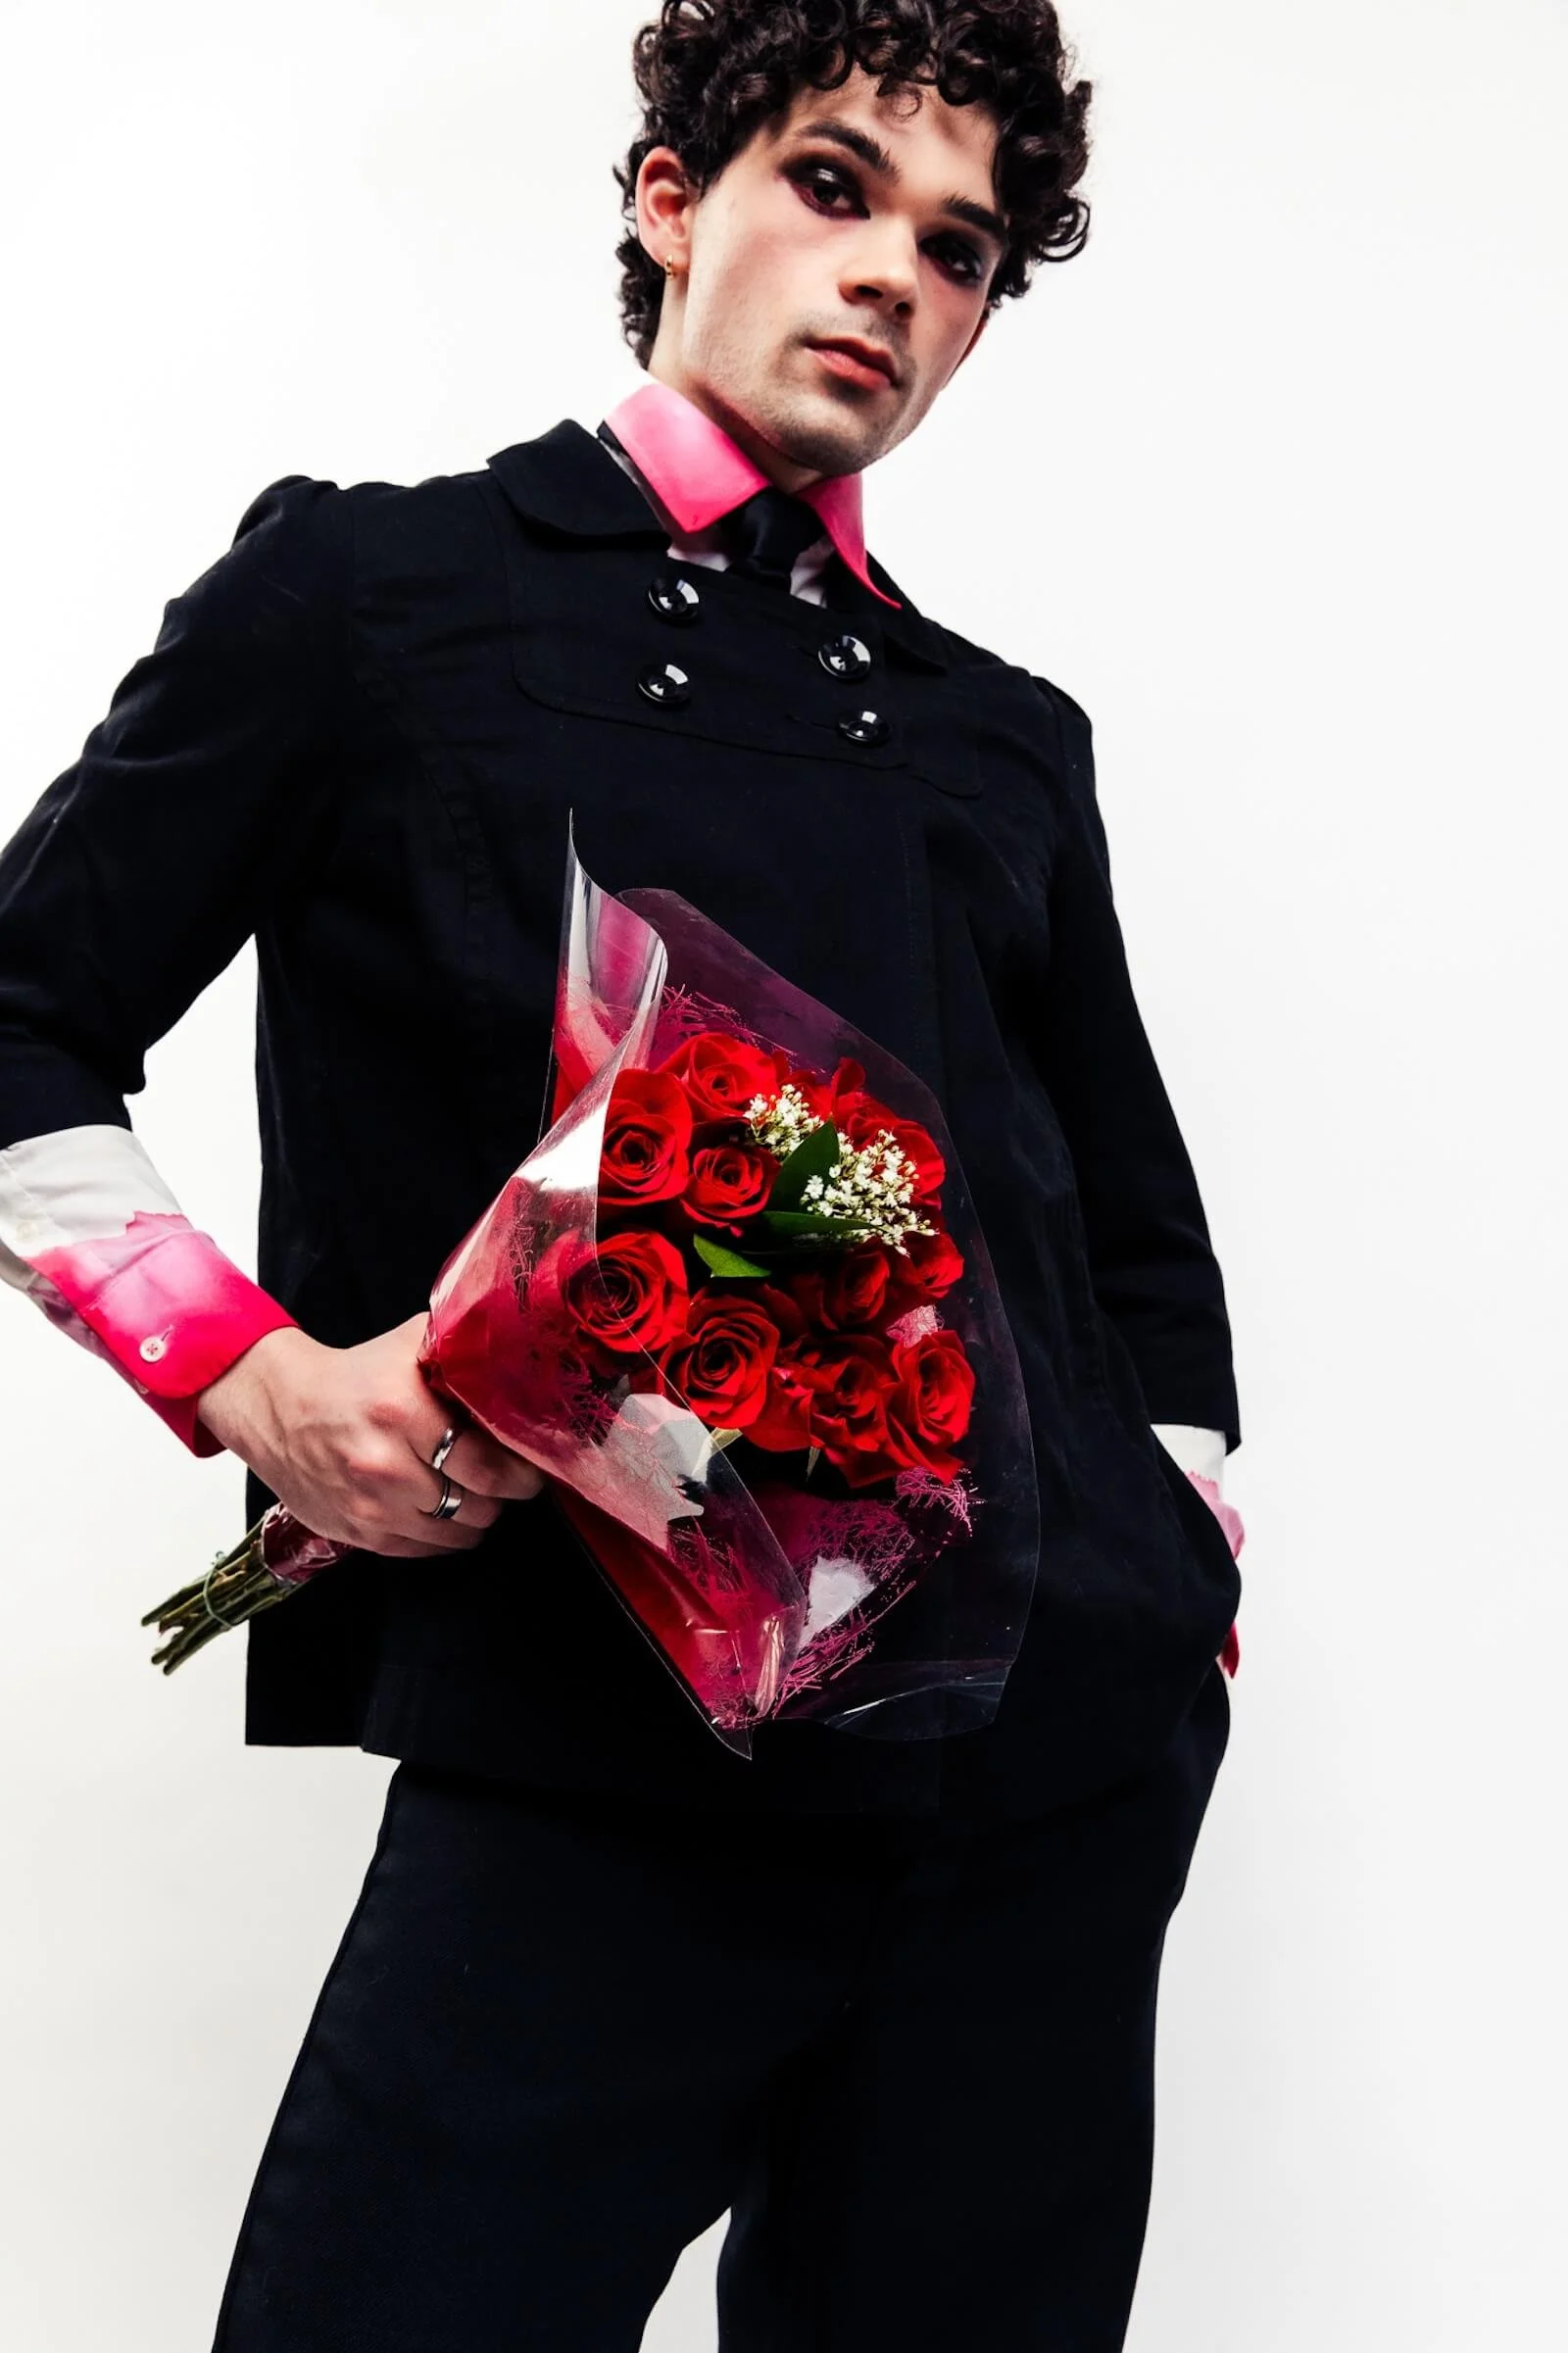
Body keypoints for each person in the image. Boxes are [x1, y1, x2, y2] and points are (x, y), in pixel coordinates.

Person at [0, 4, 1249, 2344]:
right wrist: (250, 1377)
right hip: (586, 1732)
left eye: (959, 249)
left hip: (1043, 1784)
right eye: (833, 186)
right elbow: (18, 1015)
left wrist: (1172, 1572)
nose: (891, 276)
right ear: (672, 199)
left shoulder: (1001, 733)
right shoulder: (375, 592)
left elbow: (1124, 1223)